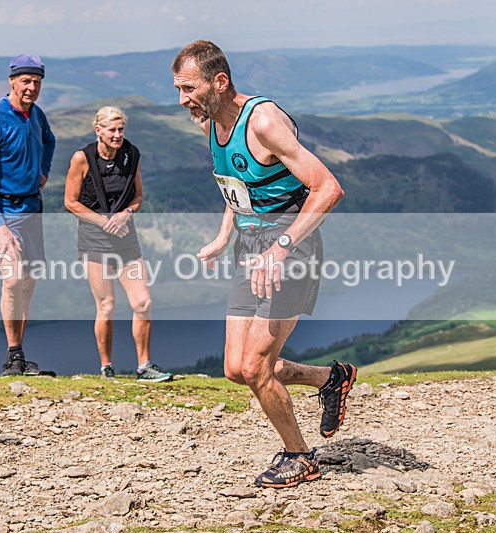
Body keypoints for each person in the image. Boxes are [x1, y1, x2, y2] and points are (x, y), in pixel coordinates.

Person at [172, 41, 358, 488]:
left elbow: (328, 188)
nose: (182, 100)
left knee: (257, 367)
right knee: (237, 369)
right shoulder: (210, 123)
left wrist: (281, 248)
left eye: (189, 87)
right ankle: (330, 378)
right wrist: (223, 236)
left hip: (290, 245)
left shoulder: (264, 121)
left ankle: (300, 456)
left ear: (220, 81)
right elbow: (237, 188)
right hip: (249, 246)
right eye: (177, 89)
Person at [64, 106, 173, 383]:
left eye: (121, 129)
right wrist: (103, 222)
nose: (117, 134)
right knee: (107, 305)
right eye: (111, 130)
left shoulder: (131, 155)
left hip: (125, 238)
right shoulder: (82, 158)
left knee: (142, 302)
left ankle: (144, 366)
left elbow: (137, 195)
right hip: (94, 240)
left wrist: (126, 214)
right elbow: (70, 202)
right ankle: (106, 367)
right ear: (98, 130)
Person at [0, 54, 56, 377]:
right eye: (26, 81)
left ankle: (19, 356)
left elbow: (49, 140)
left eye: (36, 82)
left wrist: (43, 171)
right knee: (12, 279)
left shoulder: (37, 115)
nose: (31, 87)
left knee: (28, 283)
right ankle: (12, 356)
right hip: (3, 211)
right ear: (12, 81)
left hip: (32, 208)